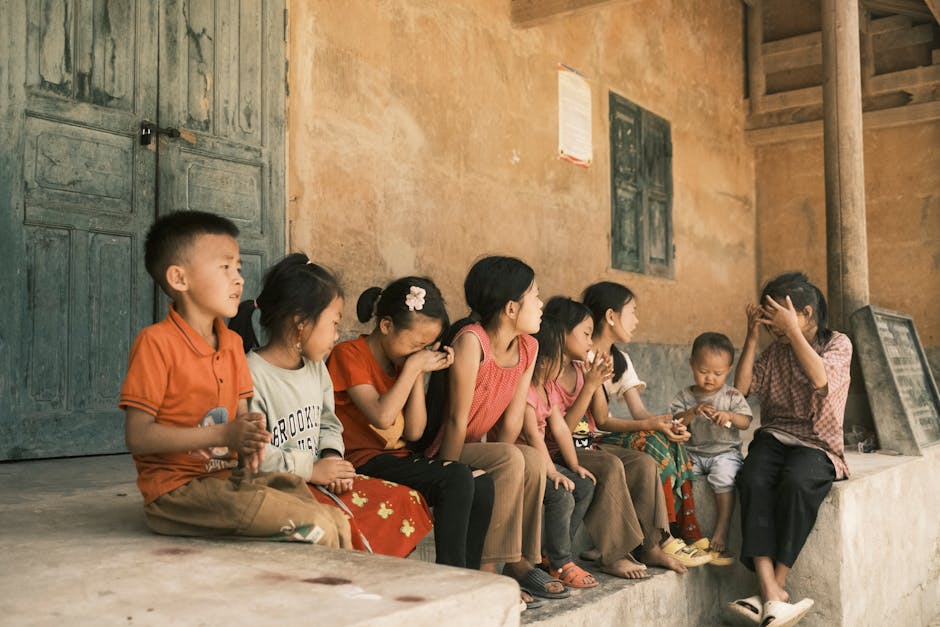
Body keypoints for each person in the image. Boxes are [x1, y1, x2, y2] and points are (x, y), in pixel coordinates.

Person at [120, 210, 350, 547]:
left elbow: (246, 424)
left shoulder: (231, 344)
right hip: (177, 493)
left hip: (232, 479)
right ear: (179, 279)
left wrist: (251, 442)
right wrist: (224, 434)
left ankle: (342, 597)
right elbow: (138, 437)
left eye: (239, 268)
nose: (239, 279)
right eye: (225, 267)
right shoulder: (156, 343)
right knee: (315, 524)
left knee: (336, 518)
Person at [228, 254, 433, 558]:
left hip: (320, 477)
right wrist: (312, 469)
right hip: (277, 487)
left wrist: (332, 459)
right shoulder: (251, 376)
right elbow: (255, 459)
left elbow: (328, 423)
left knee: (406, 500)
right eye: (334, 322)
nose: (337, 335)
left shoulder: (315, 368)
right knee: (342, 525)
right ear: (301, 324)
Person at [424, 256, 564, 608]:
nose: (541, 303)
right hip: (447, 449)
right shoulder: (472, 341)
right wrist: (449, 474)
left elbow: (512, 421)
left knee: (527, 458)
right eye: (536, 294)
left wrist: (506, 464)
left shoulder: (528, 347)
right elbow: (456, 421)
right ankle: (488, 572)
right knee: (512, 458)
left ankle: (519, 560)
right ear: (512, 308)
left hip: (482, 448)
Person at [326, 276, 494, 569]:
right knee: (455, 477)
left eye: (426, 346)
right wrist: (415, 366)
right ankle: (451, 576)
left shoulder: (401, 365)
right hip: (359, 461)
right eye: (416, 343)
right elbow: (382, 415)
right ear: (387, 326)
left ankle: (471, 576)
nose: (420, 351)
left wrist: (414, 371)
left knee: (482, 482)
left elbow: (414, 431)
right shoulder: (349, 354)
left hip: (395, 458)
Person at [726, 272, 851, 627]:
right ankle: (771, 590)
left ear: (806, 313)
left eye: (778, 317)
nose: (773, 327)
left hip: (817, 443)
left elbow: (820, 380)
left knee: (798, 482)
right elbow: (741, 390)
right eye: (769, 320)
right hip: (775, 435)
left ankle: (773, 588)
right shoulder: (774, 350)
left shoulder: (837, 344)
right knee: (751, 478)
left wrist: (792, 332)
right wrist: (751, 338)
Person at [542, 297, 698, 574]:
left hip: (587, 444)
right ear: (562, 333)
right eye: (586, 334)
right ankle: (612, 554)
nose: (591, 343)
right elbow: (561, 430)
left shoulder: (582, 369)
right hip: (556, 450)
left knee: (643, 463)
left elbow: (601, 419)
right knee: (611, 466)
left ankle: (650, 546)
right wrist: (590, 386)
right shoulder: (547, 371)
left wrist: (595, 382)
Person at [580, 282, 711, 565]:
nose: (637, 320)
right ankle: (662, 538)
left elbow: (639, 413)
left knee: (666, 438)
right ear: (612, 316)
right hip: (590, 439)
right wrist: (653, 425)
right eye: (633, 312)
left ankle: (682, 531)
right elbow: (602, 421)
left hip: (606, 437)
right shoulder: (583, 355)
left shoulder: (621, 359)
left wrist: (666, 422)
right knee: (651, 440)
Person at [523, 317, 597, 588]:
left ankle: (550, 555)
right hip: (528, 461)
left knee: (585, 485)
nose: (563, 364)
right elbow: (532, 435)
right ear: (542, 360)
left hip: (544, 460)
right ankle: (561, 561)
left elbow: (562, 429)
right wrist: (553, 472)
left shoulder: (548, 387)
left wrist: (574, 465)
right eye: (559, 358)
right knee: (561, 495)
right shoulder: (527, 391)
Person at [670, 332, 753, 565]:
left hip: (724, 452)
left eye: (718, 373)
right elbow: (676, 421)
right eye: (703, 371)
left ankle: (722, 527)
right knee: (679, 476)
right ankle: (684, 529)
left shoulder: (731, 395)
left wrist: (729, 415)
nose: (709, 379)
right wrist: (693, 411)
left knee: (723, 477)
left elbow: (745, 421)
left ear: (728, 370)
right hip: (693, 452)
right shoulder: (685, 396)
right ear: (691, 365)